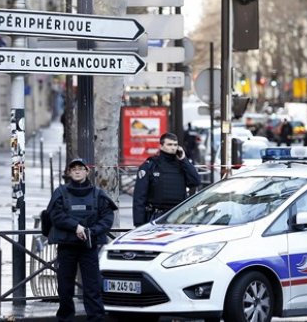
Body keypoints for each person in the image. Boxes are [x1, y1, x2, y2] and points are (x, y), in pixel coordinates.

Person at [46, 158, 117, 322]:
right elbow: (56, 215)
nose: (77, 171)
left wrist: (91, 232)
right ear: (69, 173)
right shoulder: (60, 192)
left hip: (89, 247)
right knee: (65, 287)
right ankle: (65, 318)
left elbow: (107, 218)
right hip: (67, 246)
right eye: (74, 169)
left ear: (87, 171)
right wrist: (76, 227)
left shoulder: (98, 193)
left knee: (92, 287)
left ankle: (96, 318)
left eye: (80, 168)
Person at [133, 132, 201, 226]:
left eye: (175, 145)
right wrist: (139, 223)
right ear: (161, 146)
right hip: (157, 216)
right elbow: (139, 196)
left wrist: (184, 160)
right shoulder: (151, 165)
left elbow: (195, 181)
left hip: (179, 215)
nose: (173, 147)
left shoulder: (182, 164)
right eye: (169, 144)